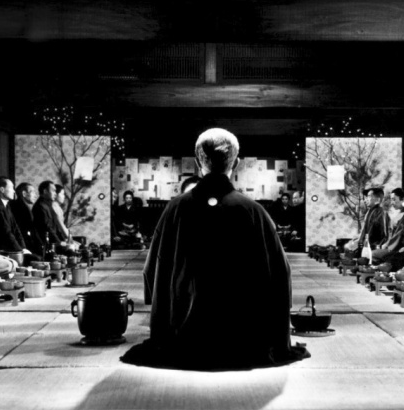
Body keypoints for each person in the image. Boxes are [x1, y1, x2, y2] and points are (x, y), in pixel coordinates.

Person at [122, 128, 309, 369]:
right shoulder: (253, 211)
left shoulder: (175, 209)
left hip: (184, 339)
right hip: (243, 339)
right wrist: (278, 337)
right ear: (236, 163)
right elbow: (281, 275)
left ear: (197, 161)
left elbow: (152, 270)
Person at [0, 177, 40, 265]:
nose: (14, 191)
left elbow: (16, 229)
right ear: (2, 189)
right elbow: (6, 232)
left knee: (35, 258)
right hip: (2, 249)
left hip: (12, 247)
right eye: (11, 188)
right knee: (35, 259)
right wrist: (19, 251)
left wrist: (23, 248)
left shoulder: (7, 206)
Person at [345, 188, 389, 252]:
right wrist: (359, 240)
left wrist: (377, 247)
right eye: (365, 197)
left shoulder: (380, 212)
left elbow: (384, 235)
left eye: (368, 196)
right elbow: (365, 231)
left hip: (374, 249)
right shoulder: (370, 212)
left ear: (378, 199)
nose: (365, 200)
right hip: (367, 247)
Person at [10, 182, 44, 256]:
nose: (35, 195)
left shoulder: (23, 207)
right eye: (33, 192)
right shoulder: (20, 208)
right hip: (23, 247)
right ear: (24, 194)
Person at [32, 180, 67, 249]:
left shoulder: (48, 205)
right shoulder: (40, 206)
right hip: (45, 245)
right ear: (45, 191)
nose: (55, 194)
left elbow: (56, 227)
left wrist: (64, 241)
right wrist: (60, 243)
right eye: (53, 191)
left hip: (53, 243)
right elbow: (47, 228)